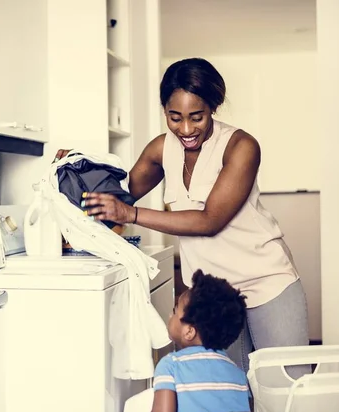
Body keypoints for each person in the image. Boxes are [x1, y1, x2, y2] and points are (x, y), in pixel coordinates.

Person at [55, 57, 309, 376]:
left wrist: (130, 213)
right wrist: (76, 166)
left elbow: (209, 221)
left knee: (287, 390)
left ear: (213, 107)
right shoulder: (161, 150)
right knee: (223, 393)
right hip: (212, 296)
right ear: (164, 111)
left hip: (267, 282)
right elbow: (117, 196)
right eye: (175, 118)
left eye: (197, 117)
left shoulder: (241, 147)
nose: (186, 129)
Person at [149, 269, 251, 412]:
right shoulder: (238, 373)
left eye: (175, 312)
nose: (171, 316)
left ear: (189, 332)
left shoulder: (171, 364)